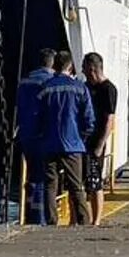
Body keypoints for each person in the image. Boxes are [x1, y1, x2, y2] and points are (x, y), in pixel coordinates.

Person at [37, 50, 97, 225]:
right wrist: (83, 137)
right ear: (71, 66)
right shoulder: (80, 88)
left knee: (50, 185)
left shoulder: (45, 88)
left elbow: (38, 116)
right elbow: (89, 119)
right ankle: (83, 221)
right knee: (76, 186)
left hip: (50, 144)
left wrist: (41, 136)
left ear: (55, 65)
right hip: (73, 145)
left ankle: (51, 221)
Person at [14, 48, 56, 224]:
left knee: (30, 175)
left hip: (25, 133)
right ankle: (41, 218)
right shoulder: (50, 82)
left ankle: (29, 214)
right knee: (43, 177)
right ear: (52, 62)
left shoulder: (24, 81)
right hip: (43, 134)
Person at [82, 51, 120, 225]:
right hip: (82, 139)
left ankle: (96, 221)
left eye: (84, 69)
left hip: (95, 141)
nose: (83, 72)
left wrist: (100, 144)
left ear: (92, 69)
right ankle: (80, 218)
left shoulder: (108, 89)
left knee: (94, 180)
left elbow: (109, 120)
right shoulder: (86, 87)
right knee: (82, 181)